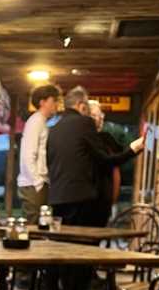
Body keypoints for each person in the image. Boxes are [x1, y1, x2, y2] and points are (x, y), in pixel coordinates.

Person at [47, 86, 145, 228]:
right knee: (84, 246)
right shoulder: (84, 123)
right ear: (81, 106)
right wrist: (132, 150)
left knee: (62, 244)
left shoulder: (54, 129)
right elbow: (104, 160)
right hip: (80, 199)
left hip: (57, 198)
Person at [17, 84, 61, 223]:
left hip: (37, 183)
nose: (56, 104)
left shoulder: (41, 122)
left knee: (40, 225)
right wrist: (38, 182)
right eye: (53, 100)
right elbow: (28, 155)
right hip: (33, 184)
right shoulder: (35, 121)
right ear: (43, 102)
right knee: (33, 226)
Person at [87, 99, 123, 209]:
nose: (100, 118)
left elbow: (115, 171)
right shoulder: (83, 140)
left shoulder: (107, 140)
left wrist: (113, 198)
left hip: (103, 196)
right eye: (94, 115)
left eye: (101, 114)